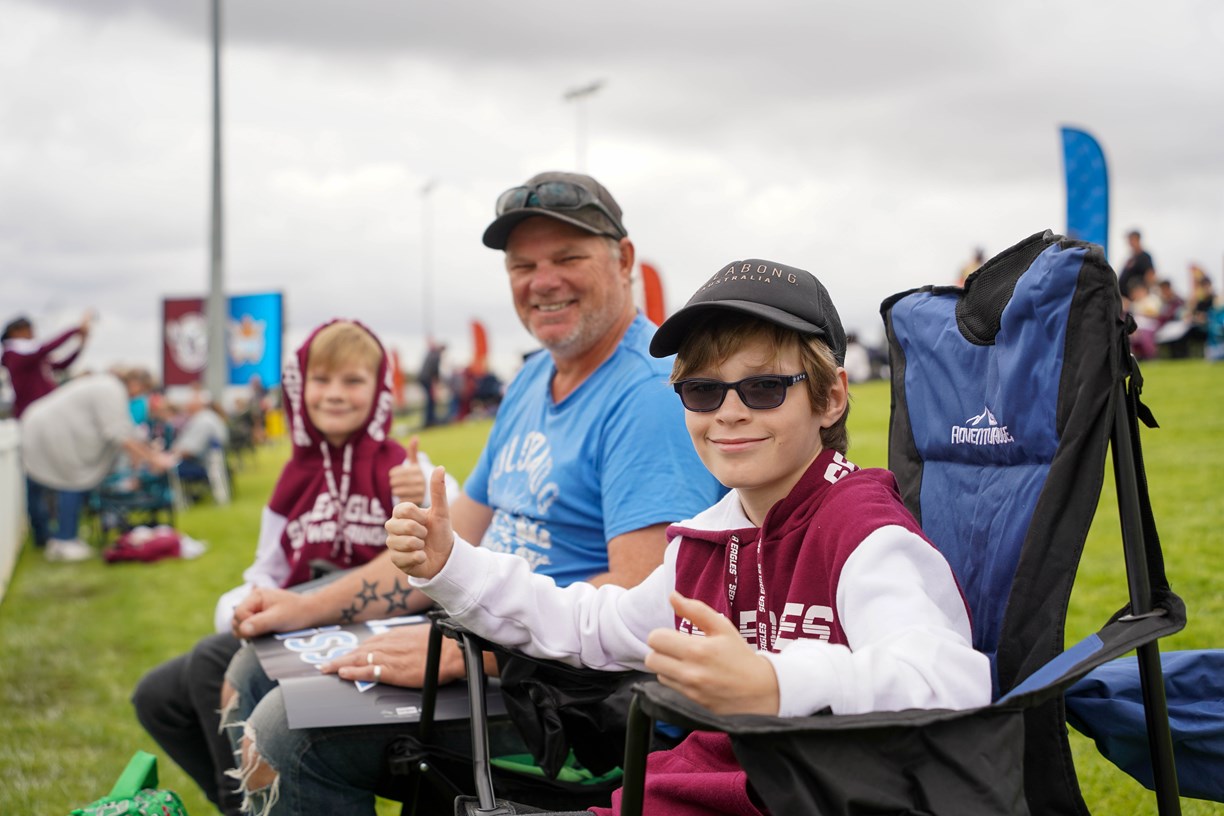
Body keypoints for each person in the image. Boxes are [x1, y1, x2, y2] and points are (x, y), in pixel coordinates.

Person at [388, 258, 992, 816]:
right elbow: (595, 627)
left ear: (830, 397)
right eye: (703, 390)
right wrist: (453, 565)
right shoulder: (708, 539)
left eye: (763, 388)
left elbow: (947, 682)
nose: (729, 412)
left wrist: (778, 683)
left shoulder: (863, 531)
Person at [219, 171, 724, 815]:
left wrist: (468, 652)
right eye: (523, 265)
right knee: (252, 665)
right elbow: (445, 548)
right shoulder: (533, 379)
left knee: (291, 734)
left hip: (577, 697)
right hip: (486, 641)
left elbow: (638, 599)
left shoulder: (647, 395)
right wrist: (306, 607)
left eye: (568, 257)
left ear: (624, 260)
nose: (543, 281)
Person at [132, 319, 454, 815]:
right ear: (300, 389)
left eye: (353, 380)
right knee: (158, 696)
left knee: (209, 665)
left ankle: (246, 806)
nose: (335, 393)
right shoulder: (294, 476)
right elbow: (268, 567)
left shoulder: (404, 465)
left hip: (377, 626)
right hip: (300, 621)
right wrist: (249, 604)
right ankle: (250, 801)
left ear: (380, 391)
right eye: (321, 380)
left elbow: (448, 549)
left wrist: (416, 501)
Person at [19, 365, 172, 561]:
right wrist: (153, 458)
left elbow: (126, 430)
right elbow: (118, 434)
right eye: (143, 390)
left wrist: (148, 453)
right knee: (73, 482)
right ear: (135, 383)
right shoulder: (111, 389)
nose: (140, 396)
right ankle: (64, 539)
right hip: (49, 433)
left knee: (46, 484)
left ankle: (50, 538)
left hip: (41, 428)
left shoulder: (108, 386)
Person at [1, 312, 91, 419]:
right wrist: (76, 330)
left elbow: (61, 365)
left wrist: (80, 345)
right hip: (32, 413)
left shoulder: (32, 356)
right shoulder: (13, 355)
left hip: (46, 408)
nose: (32, 333)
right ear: (15, 332)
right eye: (28, 329)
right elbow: (46, 348)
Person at [1118, 229, 1156, 302]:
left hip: (1136, 299)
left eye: (1131, 240)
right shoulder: (1131, 258)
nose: (1130, 243)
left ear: (1137, 239)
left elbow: (1150, 275)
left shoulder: (1145, 257)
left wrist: (1143, 293)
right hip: (1125, 298)